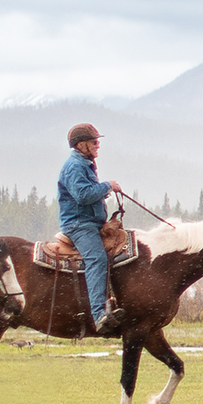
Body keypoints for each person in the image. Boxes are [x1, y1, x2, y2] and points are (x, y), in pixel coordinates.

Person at [58, 122, 127, 335]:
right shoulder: (75, 166)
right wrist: (107, 186)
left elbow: (87, 193)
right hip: (79, 225)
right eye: (94, 142)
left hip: (90, 223)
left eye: (98, 141)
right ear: (80, 145)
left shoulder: (84, 164)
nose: (98, 145)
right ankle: (99, 315)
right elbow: (82, 195)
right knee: (97, 259)